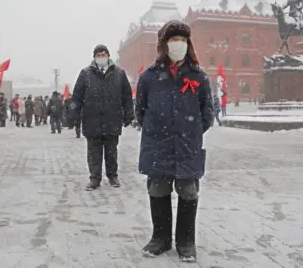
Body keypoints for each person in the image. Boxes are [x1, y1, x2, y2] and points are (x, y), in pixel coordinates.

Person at [135, 20, 213, 262]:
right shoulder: (149, 77)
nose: (177, 44)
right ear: (164, 44)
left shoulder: (199, 77)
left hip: (187, 144)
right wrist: (157, 129)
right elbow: (141, 111)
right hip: (158, 143)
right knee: (158, 188)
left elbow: (207, 114)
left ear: (187, 44)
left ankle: (186, 241)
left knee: (188, 191)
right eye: (173, 40)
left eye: (182, 40)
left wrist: (190, 130)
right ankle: (161, 238)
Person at [71, 44, 134, 190]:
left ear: (108, 56)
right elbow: (77, 97)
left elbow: (126, 96)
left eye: (104, 54)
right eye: (98, 55)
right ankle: (95, 178)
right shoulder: (85, 74)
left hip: (113, 119)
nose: (101, 57)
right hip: (91, 119)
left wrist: (129, 113)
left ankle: (113, 176)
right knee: (94, 152)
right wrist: (74, 114)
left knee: (112, 151)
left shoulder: (119, 73)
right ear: (94, 57)